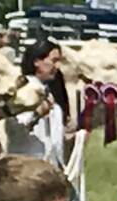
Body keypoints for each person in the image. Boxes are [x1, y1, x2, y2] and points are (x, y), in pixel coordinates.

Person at [7, 38, 70, 170]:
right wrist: (38, 115)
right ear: (37, 61)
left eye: (59, 61)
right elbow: (15, 128)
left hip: (50, 165)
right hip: (26, 164)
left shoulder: (51, 92)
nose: (58, 66)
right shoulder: (22, 89)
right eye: (54, 61)